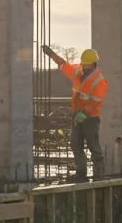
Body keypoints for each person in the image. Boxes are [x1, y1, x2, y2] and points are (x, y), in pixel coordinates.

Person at [42, 46, 107, 180]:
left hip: (89, 119)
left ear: (94, 64)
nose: (84, 68)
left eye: (87, 66)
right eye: (83, 65)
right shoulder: (79, 73)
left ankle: (99, 173)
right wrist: (53, 55)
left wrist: (84, 113)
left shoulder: (99, 80)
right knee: (75, 144)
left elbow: (96, 102)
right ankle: (81, 173)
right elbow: (64, 65)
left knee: (93, 144)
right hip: (77, 116)